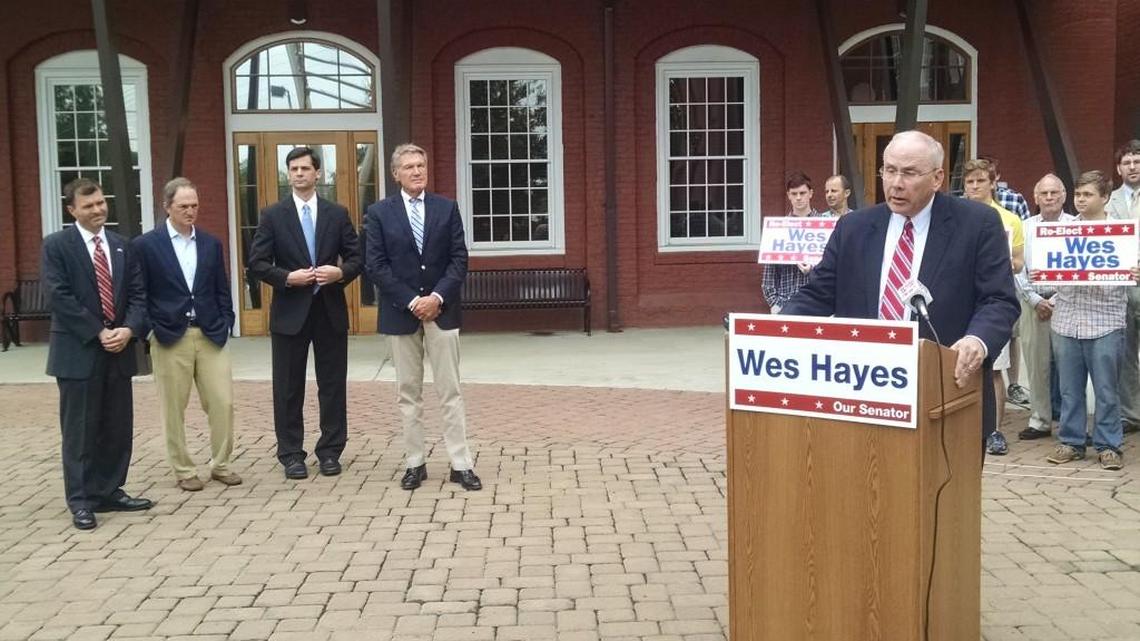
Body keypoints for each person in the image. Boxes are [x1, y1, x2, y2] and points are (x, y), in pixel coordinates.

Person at [782, 131, 1021, 451]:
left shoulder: (977, 224)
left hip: (945, 394)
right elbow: (819, 294)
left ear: (937, 178)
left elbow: (999, 300)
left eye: (908, 173)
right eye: (889, 170)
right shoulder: (854, 228)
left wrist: (977, 340)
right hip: (867, 394)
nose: (895, 182)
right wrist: (771, 328)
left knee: (944, 501)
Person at [364, 143, 481, 491]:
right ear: (395, 173)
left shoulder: (446, 208)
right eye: (409, 166)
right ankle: (415, 462)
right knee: (408, 392)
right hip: (401, 314)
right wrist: (413, 301)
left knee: (451, 391)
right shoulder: (379, 213)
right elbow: (376, 265)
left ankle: (461, 463)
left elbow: (459, 258)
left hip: (442, 311)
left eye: (421, 165)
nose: (417, 171)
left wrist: (437, 297)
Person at [42, 178, 152, 530]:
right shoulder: (57, 246)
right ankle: (82, 499)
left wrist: (129, 329)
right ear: (72, 210)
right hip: (79, 352)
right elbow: (59, 296)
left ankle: (109, 490)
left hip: (119, 352)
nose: (98, 210)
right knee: (81, 430)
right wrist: (98, 331)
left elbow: (138, 295)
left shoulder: (122, 246)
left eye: (101, 203)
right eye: (88, 206)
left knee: (117, 427)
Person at [247, 147, 361, 480]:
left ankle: (330, 451)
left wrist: (339, 274)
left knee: (332, 386)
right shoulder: (273, 215)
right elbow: (256, 263)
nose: (299, 174)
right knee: (287, 387)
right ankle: (291, 454)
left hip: (329, 311)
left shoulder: (337, 214)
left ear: (318, 174)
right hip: (289, 313)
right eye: (293, 169)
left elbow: (356, 258)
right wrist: (286, 278)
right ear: (288, 174)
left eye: (305, 168)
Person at [133, 178, 240, 491]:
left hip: (210, 333)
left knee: (223, 402)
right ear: (167, 207)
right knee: (173, 407)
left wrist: (227, 319)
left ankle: (220, 464)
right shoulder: (146, 245)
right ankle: (183, 469)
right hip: (169, 336)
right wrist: (150, 330)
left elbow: (221, 287)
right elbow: (139, 292)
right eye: (183, 206)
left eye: (194, 205)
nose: (190, 211)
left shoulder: (210, 243)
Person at [1039, 171, 1139, 470]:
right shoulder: (1062, 231)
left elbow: (1132, 269)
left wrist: (1134, 273)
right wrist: (1042, 275)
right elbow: (1048, 276)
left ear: (1105, 197)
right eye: (1078, 194)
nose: (1081, 200)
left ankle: (1109, 445)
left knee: (1107, 389)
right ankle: (1071, 441)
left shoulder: (1122, 232)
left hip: (1106, 319)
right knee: (1070, 388)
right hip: (1067, 319)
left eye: (1088, 195)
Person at [962, 158, 1026, 456]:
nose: (975, 186)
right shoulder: (956, 216)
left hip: (992, 302)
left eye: (980, 181)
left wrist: (997, 263)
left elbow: (1018, 262)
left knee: (994, 369)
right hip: (963, 303)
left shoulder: (1008, 218)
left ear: (992, 183)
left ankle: (995, 430)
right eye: (969, 182)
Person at [1015, 174, 1074, 441]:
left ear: (1064, 195)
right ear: (1035, 198)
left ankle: (1070, 422)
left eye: (1054, 193)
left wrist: (1056, 300)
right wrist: (1035, 300)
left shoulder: (1076, 226)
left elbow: (1078, 268)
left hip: (1070, 304)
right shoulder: (1024, 227)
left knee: (1070, 366)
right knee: (1037, 366)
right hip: (1032, 304)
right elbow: (1016, 269)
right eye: (1044, 194)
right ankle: (1039, 420)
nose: (1049, 198)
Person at [1106, 139, 1140, 435]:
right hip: (1122, 290)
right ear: (1119, 169)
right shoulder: (1110, 201)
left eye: (1137, 161)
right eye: (1127, 162)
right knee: (1126, 354)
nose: (1133, 167)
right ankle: (1132, 413)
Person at [762, 172, 824, 313]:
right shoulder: (778, 228)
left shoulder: (825, 226)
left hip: (816, 302)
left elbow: (831, 267)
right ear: (788, 195)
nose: (798, 198)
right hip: (785, 302)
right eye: (794, 193)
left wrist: (812, 269)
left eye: (802, 193)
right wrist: (775, 303)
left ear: (811, 193)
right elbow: (769, 273)